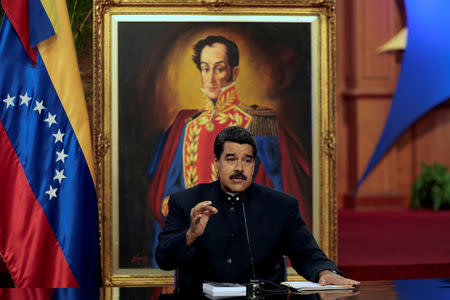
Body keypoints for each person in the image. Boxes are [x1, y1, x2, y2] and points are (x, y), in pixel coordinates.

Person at [147, 35, 312, 267]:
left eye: (219, 69)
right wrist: (177, 208)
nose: (211, 78)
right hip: (193, 242)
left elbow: (274, 191)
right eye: (205, 69)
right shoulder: (185, 125)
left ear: (233, 73)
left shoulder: (257, 123)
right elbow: (167, 189)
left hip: (242, 244)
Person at [156, 126, 359, 294]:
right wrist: (190, 234)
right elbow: (163, 259)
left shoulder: (281, 205)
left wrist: (324, 272)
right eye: (231, 159)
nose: (239, 168)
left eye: (247, 160)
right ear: (216, 163)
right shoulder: (185, 201)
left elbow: (306, 252)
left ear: (254, 165)